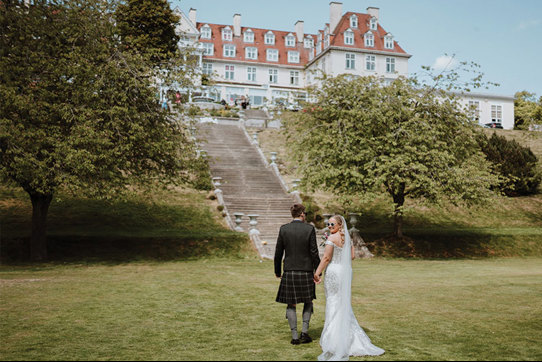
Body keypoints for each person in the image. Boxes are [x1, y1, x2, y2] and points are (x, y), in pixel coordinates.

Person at [314, 215, 385, 360]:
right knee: (342, 302)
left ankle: (334, 340)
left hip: (334, 272)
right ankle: (349, 338)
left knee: (333, 301)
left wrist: (317, 272)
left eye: (332, 224)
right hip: (344, 272)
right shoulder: (347, 238)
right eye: (328, 224)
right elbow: (351, 256)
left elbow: (326, 258)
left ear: (340, 225)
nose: (329, 226)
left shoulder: (332, 239)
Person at [274, 204, 321, 345]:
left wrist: (278, 271)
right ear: (301, 214)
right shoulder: (309, 229)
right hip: (306, 271)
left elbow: (278, 253)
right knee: (308, 301)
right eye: (305, 213)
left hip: (289, 271)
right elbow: (314, 252)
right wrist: (318, 272)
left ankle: (295, 337)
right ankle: (304, 333)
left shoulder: (284, 229)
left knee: (291, 303)